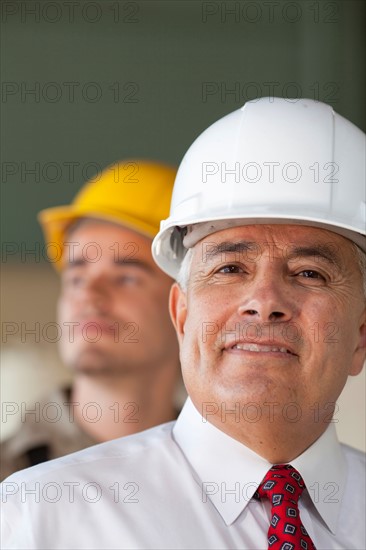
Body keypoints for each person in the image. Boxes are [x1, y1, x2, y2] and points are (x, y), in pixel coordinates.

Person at [1, 98, 365, 549]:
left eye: (310, 273)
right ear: (182, 314)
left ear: (362, 333)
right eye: (230, 268)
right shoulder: (37, 518)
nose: (264, 302)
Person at [0, 160, 181, 480]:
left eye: (126, 277)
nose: (90, 296)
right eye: (77, 277)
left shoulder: (228, 474)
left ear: (184, 305)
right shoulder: (8, 478)